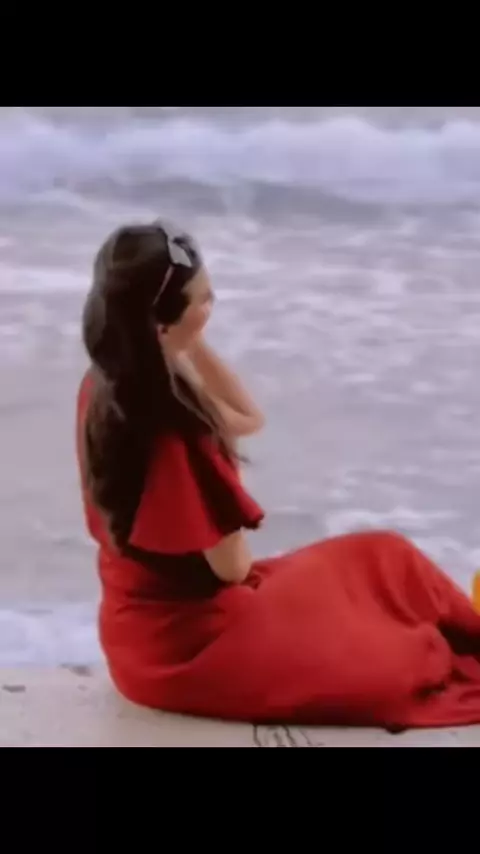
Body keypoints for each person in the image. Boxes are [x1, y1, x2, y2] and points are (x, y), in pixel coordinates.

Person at [76, 219, 480, 730]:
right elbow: (232, 569)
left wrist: (186, 340)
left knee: (385, 558)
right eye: (203, 299)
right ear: (160, 323)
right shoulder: (174, 432)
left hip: (134, 635)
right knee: (403, 660)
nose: (213, 301)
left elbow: (248, 419)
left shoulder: (108, 386)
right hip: (192, 648)